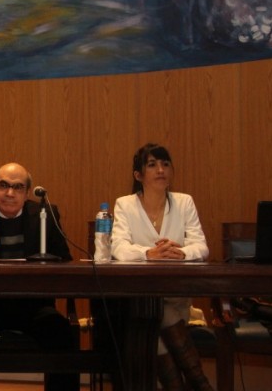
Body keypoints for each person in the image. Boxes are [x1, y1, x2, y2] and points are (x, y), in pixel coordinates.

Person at [0, 162, 79, 391]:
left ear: (27, 193)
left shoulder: (44, 214)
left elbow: (64, 259)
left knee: (60, 330)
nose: (10, 193)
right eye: (3, 185)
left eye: (18, 187)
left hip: (33, 305)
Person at [111, 143, 213, 391]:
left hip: (177, 297)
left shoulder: (184, 202)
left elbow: (201, 247)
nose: (160, 170)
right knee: (156, 312)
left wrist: (180, 253)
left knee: (157, 317)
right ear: (138, 175)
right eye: (152, 164)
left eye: (165, 164)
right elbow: (118, 249)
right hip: (141, 297)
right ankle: (199, 384)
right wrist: (149, 253)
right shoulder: (125, 204)